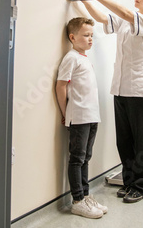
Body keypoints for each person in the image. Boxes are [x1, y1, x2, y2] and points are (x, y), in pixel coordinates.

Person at [76, 0, 143, 203]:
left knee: (141, 142)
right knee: (124, 141)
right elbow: (103, 18)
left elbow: (126, 13)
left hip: (141, 89)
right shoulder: (128, 20)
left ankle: (141, 186)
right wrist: (84, 0)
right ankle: (129, 182)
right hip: (121, 87)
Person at [56, 17, 108, 219]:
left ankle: (86, 196)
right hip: (78, 116)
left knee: (86, 157)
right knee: (77, 159)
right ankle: (77, 201)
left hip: (92, 115)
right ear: (72, 37)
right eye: (86, 35)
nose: (90, 39)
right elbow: (61, 85)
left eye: (91, 35)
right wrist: (64, 112)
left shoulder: (84, 58)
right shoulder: (71, 57)